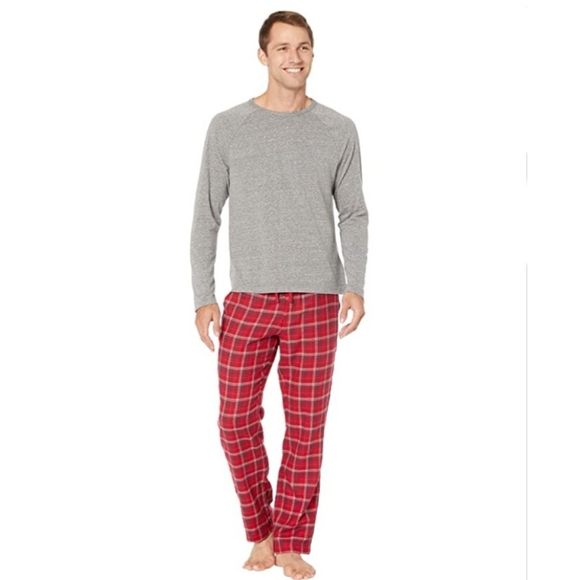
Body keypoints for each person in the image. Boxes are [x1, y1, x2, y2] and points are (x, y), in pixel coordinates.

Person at [190, 10, 368, 580]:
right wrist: (203, 293)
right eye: (284, 47)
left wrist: (356, 284)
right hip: (248, 298)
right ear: (263, 55)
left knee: (306, 427)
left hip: (316, 298)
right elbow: (206, 216)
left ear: (313, 54)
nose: (295, 57)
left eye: (304, 47)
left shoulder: (338, 128)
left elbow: (354, 213)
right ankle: (261, 527)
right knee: (234, 421)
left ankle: (289, 541)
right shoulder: (228, 127)